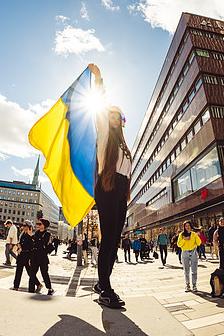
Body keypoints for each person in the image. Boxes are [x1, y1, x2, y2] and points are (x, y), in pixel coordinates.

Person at [90, 64, 131, 309]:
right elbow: (99, 110)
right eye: (111, 115)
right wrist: (98, 80)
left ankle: (101, 282)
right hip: (107, 188)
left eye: (118, 116)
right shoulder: (104, 136)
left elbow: (125, 171)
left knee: (115, 240)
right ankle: (105, 289)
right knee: (107, 240)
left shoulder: (124, 144)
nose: (114, 118)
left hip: (120, 192)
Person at [30, 218, 55, 295]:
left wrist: (34, 238)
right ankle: (38, 285)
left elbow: (42, 243)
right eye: (37, 224)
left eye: (40, 224)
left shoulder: (47, 234)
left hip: (43, 257)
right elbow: (33, 244)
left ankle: (50, 288)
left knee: (44, 273)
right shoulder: (36, 233)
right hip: (35, 256)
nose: (38, 225)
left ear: (44, 225)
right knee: (31, 273)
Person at [12, 221, 37, 291]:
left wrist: (31, 235)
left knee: (30, 273)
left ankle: (38, 284)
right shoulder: (22, 234)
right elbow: (19, 242)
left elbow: (33, 246)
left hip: (27, 255)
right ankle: (16, 286)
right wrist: (19, 247)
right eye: (22, 225)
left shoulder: (32, 235)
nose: (23, 227)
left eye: (25, 225)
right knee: (18, 271)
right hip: (21, 255)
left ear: (29, 226)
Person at [177, 221, 201, 292]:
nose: (187, 227)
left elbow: (199, 243)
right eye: (186, 226)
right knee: (186, 271)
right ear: (184, 227)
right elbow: (179, 244)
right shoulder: (181, 234)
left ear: (191, 226)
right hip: (185, 252)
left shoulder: (194, 234)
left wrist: (197, 236)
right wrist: (184, 239)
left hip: (193, 252)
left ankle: (194, 285)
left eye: (188, 225)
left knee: (194, 270)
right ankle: (187, 285)